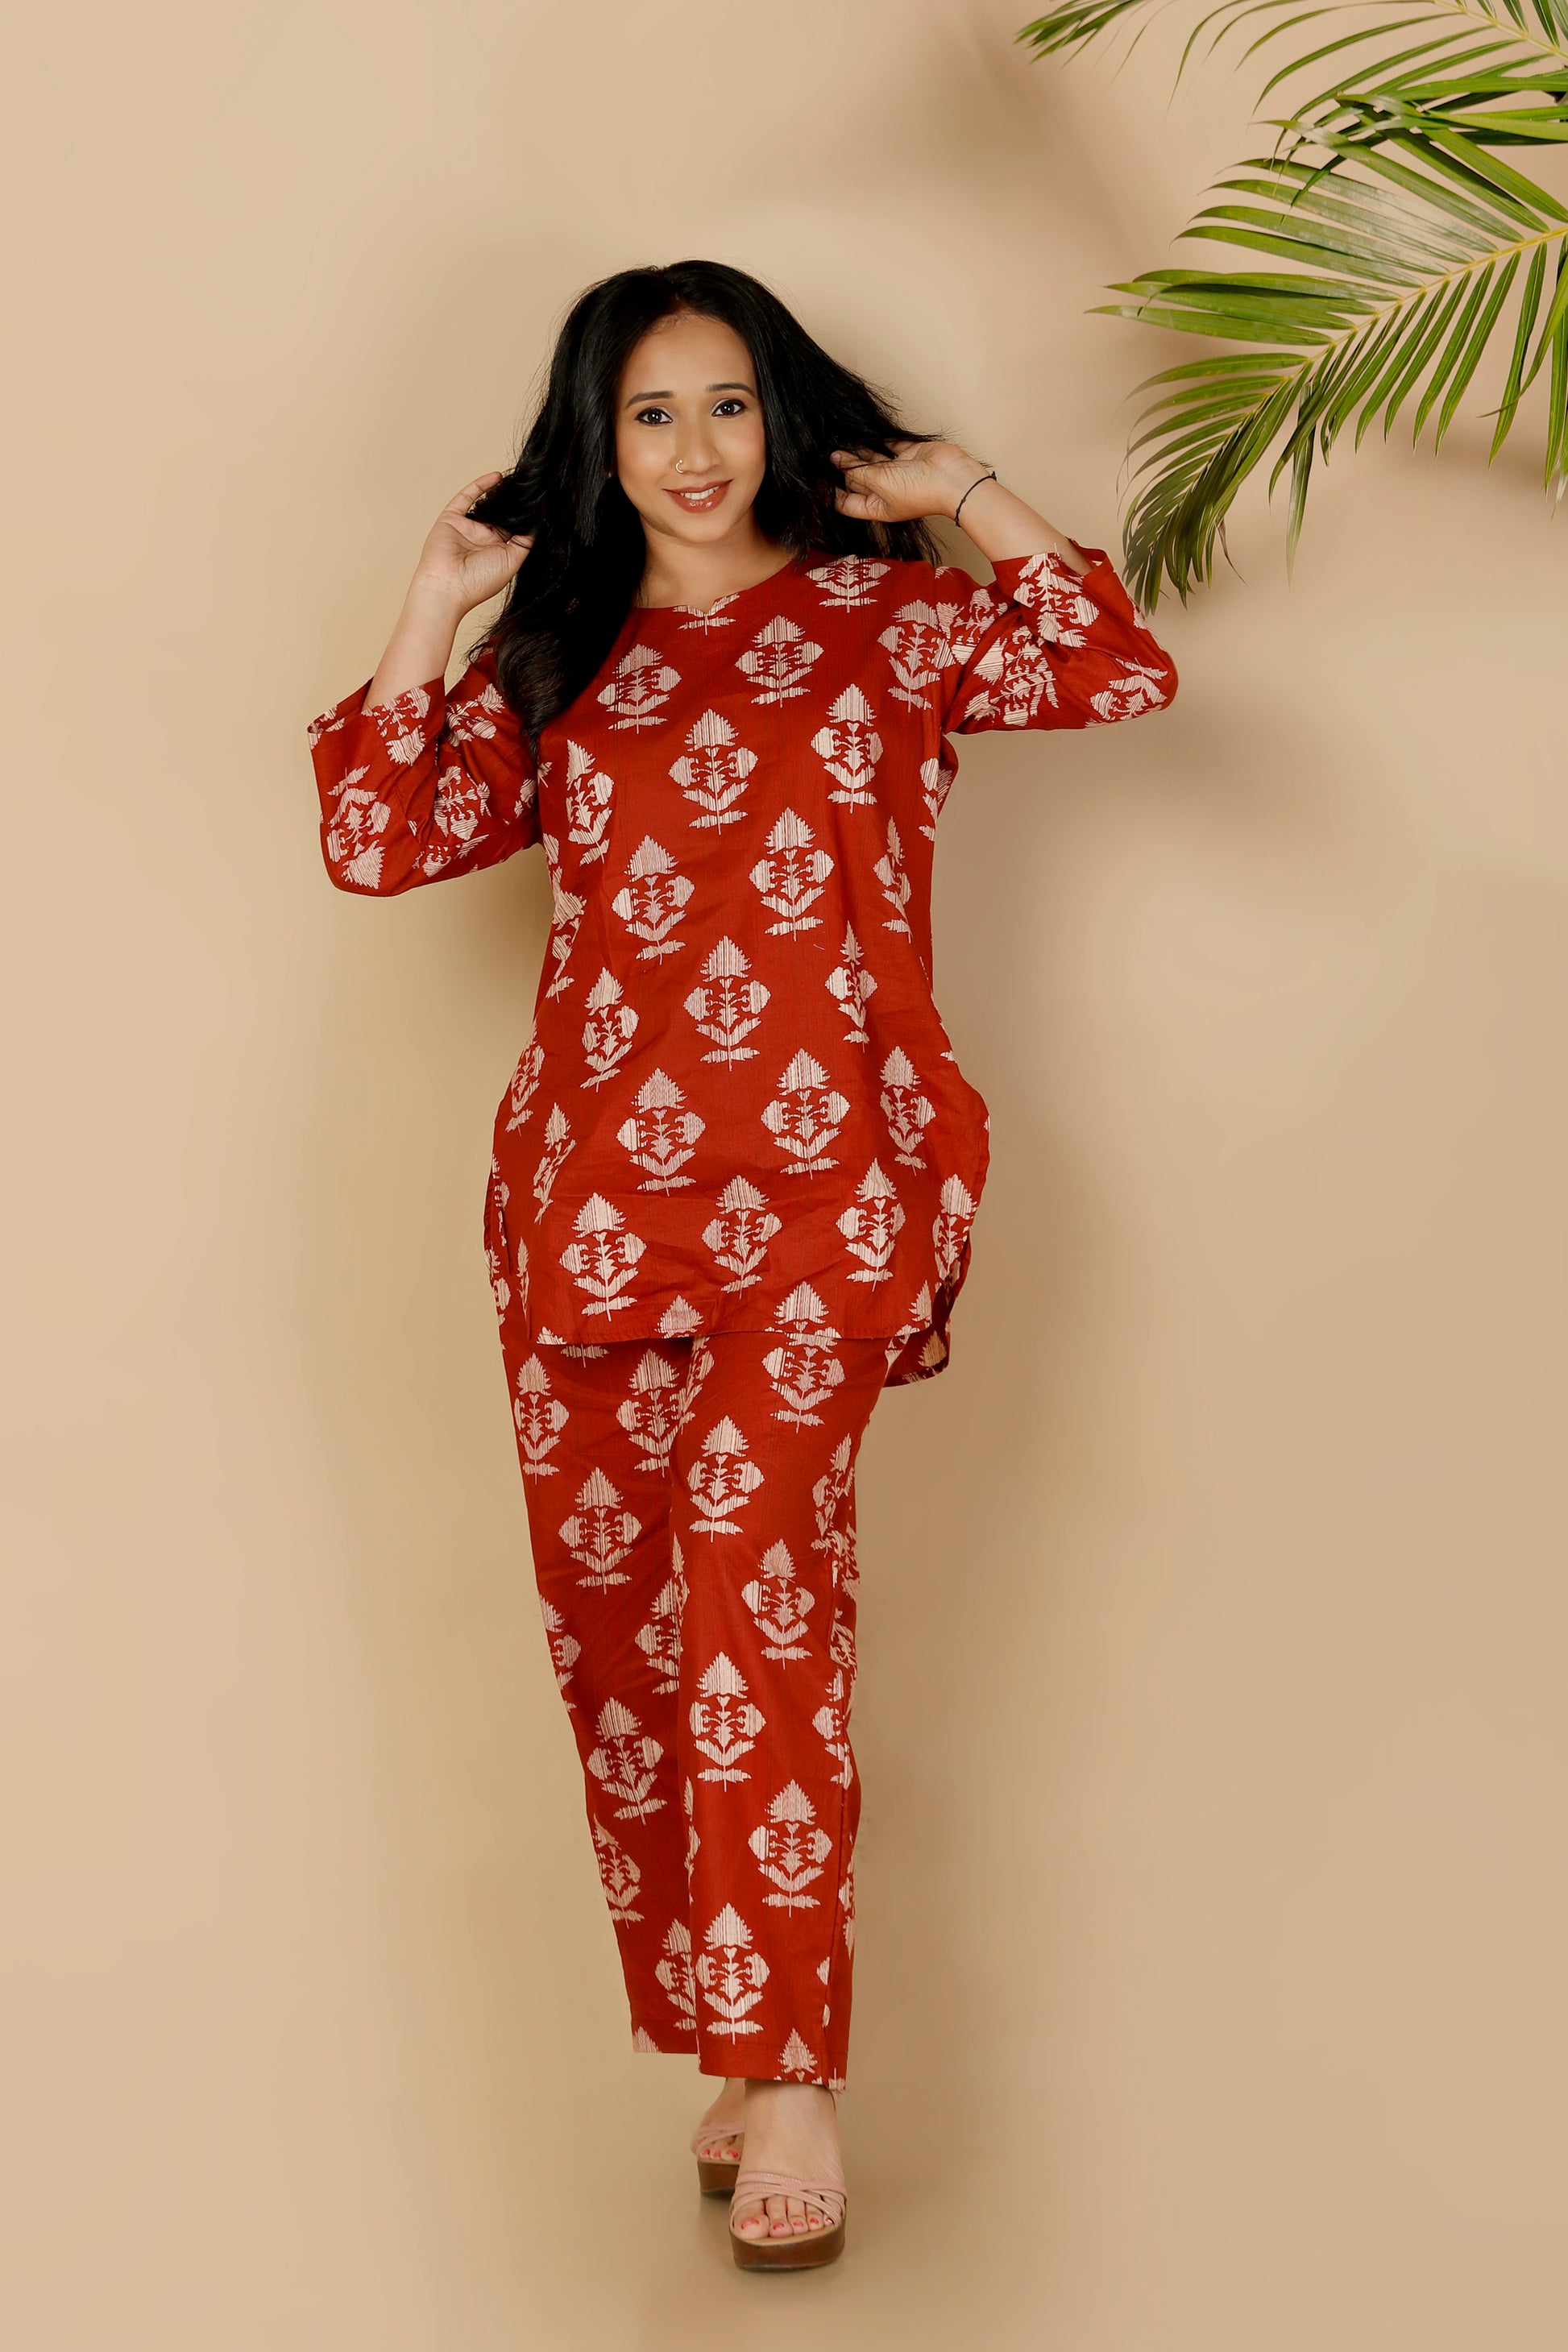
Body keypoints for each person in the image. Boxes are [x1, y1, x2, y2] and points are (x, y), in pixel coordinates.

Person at [307, 258, 1176, 2271]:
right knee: (622, 1637)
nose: (693, 453)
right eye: (647, 416)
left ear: (783, 416)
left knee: (749, 1580)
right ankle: (727, 2028)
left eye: (723, 406)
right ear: (596, 447)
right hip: (592, 1206)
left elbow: (1112, 666)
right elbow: (375, 834)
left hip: (832, 1196)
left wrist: (967, 488)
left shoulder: (888, 626)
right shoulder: (559, 646)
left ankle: (793, 2078)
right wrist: (436, 602)